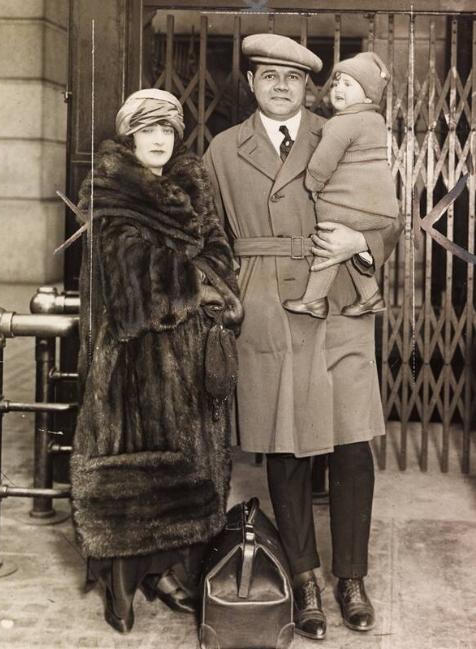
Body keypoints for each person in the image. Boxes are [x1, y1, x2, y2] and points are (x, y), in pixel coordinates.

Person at [203, 34, 403, 641]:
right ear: (251, 83)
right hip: (266, 304)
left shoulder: (342, 128)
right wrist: (226, 299)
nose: (282, 86)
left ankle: (351, 577)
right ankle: (305, 577)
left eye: (294, 77)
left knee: (350, 446)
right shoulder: (222, 149)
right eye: (270, 76)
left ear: (310, 85)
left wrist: (361, 244)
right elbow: (208, 237)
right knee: (285, 449)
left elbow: (385, 209)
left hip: (338, 294)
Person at [70, 88, 243, 634]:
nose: (159, 140)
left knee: (186, 470)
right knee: (134, 474)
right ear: (129, 136)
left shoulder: (192, 185)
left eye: (167, 130)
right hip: (132, 361)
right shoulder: (111, 192)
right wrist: (199, 285)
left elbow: (221, 256)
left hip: (189, 359)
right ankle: (120, 584)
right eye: (147, 130)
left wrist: (203, 280)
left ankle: (165, 572)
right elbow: (131, 283)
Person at [283, 52, 399, 319]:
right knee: (346, 247)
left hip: (347, 204)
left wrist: (313, 184)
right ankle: (370, 296)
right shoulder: (376, 121)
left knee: (329, 241)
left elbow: (322, 163)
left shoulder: (341, 123)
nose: (338, 89)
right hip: (379, 209)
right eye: (336, 83)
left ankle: (313, 299)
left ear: (368, 96)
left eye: (348, 84)